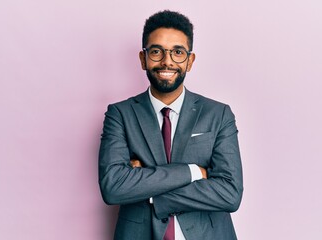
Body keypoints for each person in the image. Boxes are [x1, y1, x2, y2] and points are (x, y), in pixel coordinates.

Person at [98, 10, 243, 240]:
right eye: (156, 51)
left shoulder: (218, 114)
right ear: (143, 58)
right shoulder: (120, 114)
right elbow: (114, 188)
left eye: (177, 52)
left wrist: (149, 190)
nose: (167, 61)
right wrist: (194, 171)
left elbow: (230, 194)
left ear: (190, 60)